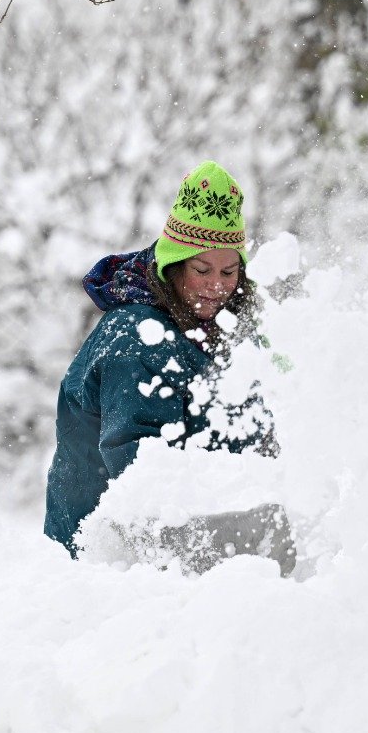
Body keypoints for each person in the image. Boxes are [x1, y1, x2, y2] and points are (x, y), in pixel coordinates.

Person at [44, 160, 277, 557]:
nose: (217, 285)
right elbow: (141, 469)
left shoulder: (220, 328)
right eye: (202, 269)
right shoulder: (136, 337)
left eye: (230, 271)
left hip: (194, 548)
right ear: (173, 264)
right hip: (105, 563)